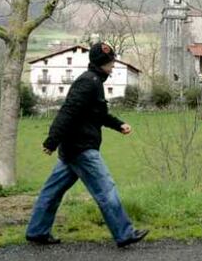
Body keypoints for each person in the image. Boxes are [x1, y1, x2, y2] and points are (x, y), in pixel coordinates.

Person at [26, 42, 149, 248]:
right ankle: (124, 233)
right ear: (102, 64)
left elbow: (97, 114)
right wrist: (51, 141)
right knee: (106, 190)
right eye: (111, 62)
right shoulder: (88, 83)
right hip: (82, 149)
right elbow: (68, 111)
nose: (113, 65)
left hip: (72, 149)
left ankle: (37, 231)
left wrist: (119, 125)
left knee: (52, 191)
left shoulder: (93, 81)